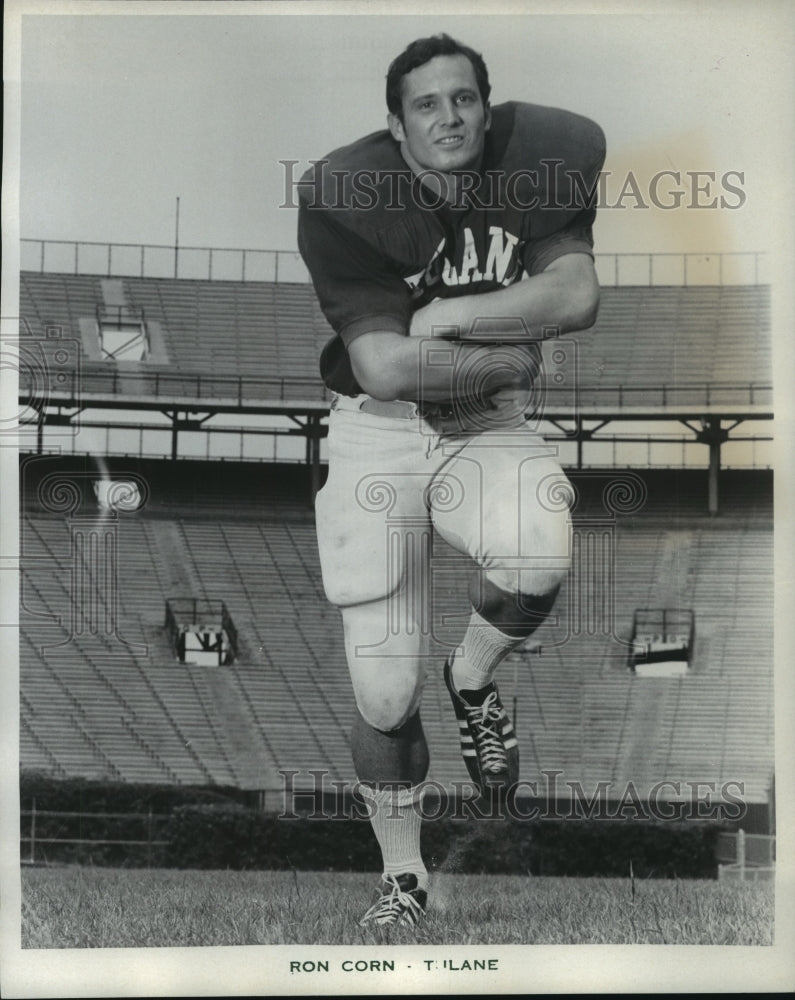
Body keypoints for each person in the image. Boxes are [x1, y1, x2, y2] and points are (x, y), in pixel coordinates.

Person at [297, 32, 605, 927]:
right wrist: (504, 357)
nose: (449, 117)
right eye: (425, 104)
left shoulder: (540, 158)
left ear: (486, 102)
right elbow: (386, 369)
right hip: (376, 434)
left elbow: (576, 296)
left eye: (462, 97)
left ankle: (471, 680)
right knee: (384, 697)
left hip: (480, 430)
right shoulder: (345, 197)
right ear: (395, 126)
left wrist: (458, 311)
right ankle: (403, 875)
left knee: (540, 547)